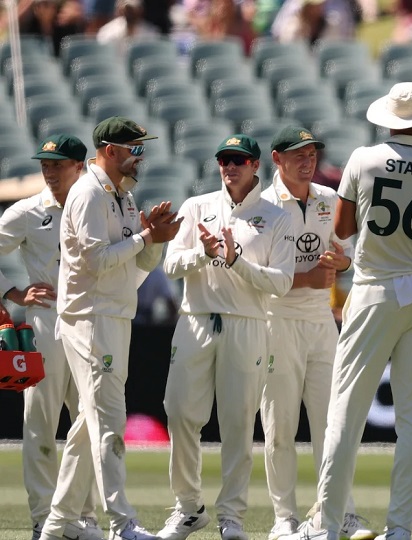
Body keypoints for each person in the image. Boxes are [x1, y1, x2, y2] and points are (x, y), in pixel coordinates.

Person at [290, 81, 412, 540]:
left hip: (373, 290)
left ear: (388, 118)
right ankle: (400, 529)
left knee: (345, 412)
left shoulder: (364, 159)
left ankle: (327, 526)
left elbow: (344, 229)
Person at [39, 116, 182, 540]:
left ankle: (59, 524)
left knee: (89, 423)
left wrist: (155, 240)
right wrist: (142, 238)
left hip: (115, 316)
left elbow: (137, 267)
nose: (141, 156)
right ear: (110, 151)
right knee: (108, 420)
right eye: (135, 148)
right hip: (89, 318)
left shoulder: (122, 196)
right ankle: (123, 524)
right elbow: (96, 261)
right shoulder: (87, 194)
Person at [157, 134, 295, 540]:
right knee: (180, 412)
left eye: (238, 160)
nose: (229, 167)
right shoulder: (196, 206)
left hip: (248, 323)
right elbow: (170, 266)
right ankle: (187, 508)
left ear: (255, 165)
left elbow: (282, 283)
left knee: (237, 423)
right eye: (224, 160)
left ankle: (231, 515)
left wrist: (236, 262)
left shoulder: (277, 216)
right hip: (196, 318)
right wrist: (205, 253)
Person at [260, 126, 376, 540]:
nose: (307, 161)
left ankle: (340, 511)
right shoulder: (263, 206)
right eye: (298, 155)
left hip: (322, 324)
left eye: (312, 154)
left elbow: (351, 257)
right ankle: (284, 518)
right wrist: (305, 279)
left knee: (333, 424)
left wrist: (340, 267)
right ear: (277, 159)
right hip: (277, 323)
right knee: (280, 428)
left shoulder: (328, 200)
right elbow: (255, 275)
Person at [0, 135, 102, 540]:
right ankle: (44, 516)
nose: (49, 170)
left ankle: (84, 517)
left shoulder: (97, 207)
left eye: (58, 163)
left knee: (88, 421)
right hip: (44, 323)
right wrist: (13, 293)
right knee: (39, 421)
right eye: (45, 163)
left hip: (89, 322)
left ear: (80, 166)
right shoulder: (28, 211)